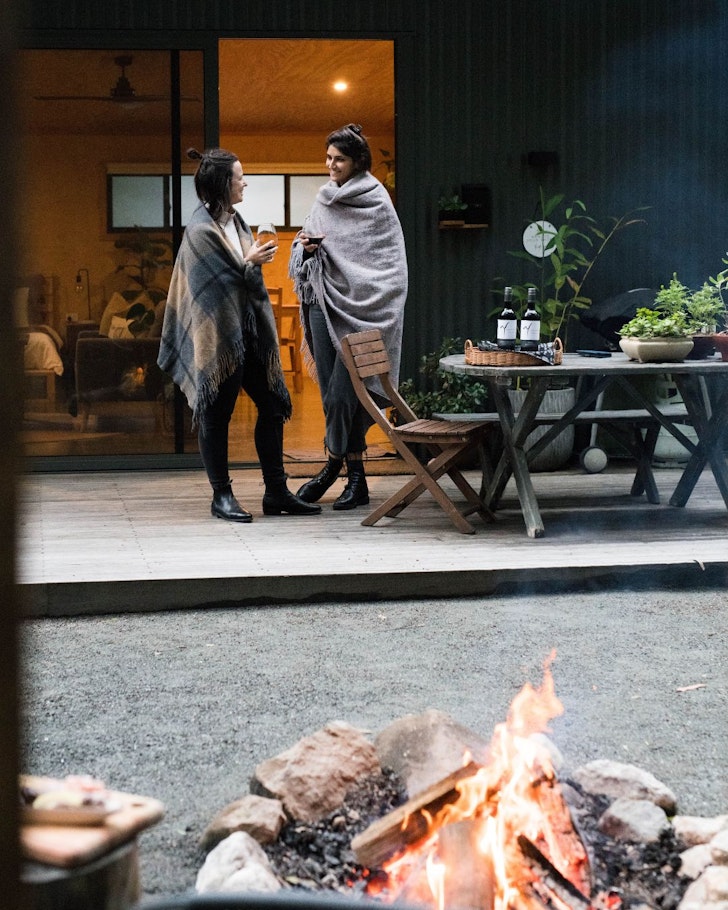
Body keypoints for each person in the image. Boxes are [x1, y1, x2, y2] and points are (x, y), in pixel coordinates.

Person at [157, 147, 321, 522]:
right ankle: (221, 495)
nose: (244, 182)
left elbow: (243, 277)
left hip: (249, 332)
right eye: (239, 177)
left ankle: (276, 491)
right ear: (221, 184)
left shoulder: (238, 222)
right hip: (219, 335)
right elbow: (212, 289)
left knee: (273, 405)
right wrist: (248, 263)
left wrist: (254, 262)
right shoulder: (200, 231)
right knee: (216, 413)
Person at [289, 123, 408, 510]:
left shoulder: (377, 200)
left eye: (338, 159)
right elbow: (301, 250)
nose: (330, 165)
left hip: (368, 312)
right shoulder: (324, 199)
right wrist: (305, 250)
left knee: (346, 395)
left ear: (358, 161)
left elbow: (389, 264)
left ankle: (330, 467)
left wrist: (372, 297)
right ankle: (357, 481)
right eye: (327, 158)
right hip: (323, 305)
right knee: (330, 394)